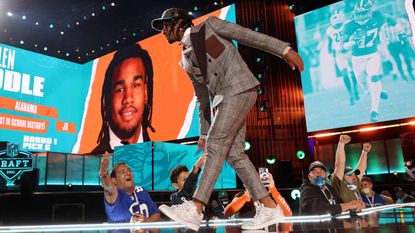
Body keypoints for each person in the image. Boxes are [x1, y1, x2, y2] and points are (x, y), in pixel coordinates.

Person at [151, 8, 303, 231]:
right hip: (222, 100)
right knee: (234, 154)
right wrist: (203, 133)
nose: (162, 30)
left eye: (165, 24)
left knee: (216, 144)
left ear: (179, 22)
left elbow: (249, 36)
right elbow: (202, 97)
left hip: (239, 87)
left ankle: (195, 207)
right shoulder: (184, 61)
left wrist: (284, 49)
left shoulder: (209, 26)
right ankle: (269, 206)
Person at [92, 44, 155, 154]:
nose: (128, 99)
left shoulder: (162, 158)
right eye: (120, 89)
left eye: (136, 85)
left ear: (145, 93)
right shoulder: (91, 161)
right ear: (108, 98)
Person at [343, 0, 396, 122]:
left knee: (374, 77)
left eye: (364, 13)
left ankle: (374, 110)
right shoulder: (349, 25)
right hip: (357, 59)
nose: (361, 16)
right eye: (358, 13)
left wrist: (399, 31)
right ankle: (377, 91)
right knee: (365, 87)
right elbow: (343, 44)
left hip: (373, 54)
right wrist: (348, 44)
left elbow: (390, 18)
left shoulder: (377, 18)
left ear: (370, 11)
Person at [99, 152, 160, 223]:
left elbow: (157, 215)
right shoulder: (114, 194)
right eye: (122, 172)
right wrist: (103, 173)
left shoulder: (141, 191)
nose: (128, 173)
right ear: (114, 180)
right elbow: (108, 187)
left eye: (129, 170)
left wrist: (146, 221)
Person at [300, 161, 365, 215]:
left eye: (321, 171)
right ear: (309, 177)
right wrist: (349, 205)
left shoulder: (329, 188)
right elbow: (318, 208)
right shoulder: (306, 189)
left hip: (333, 227)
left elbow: (339, 204)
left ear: (326, 175)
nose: (318, 174)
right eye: (314, 172)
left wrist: (355, 207)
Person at [326, 7, 359, 105]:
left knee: (353, 73)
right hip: (339, 54)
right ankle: (351, 94)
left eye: (339, 23)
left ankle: (356, 89)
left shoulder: (347, 24)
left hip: (349, 51)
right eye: (336, 23)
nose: (337, 25)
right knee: (344, 74)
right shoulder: (329, 30)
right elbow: (329, 44)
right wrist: (331, 56)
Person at [224, 172, 292, 218]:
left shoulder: (271, 195)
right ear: (244, 184)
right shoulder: (241, 196)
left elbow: (288, 214)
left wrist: (273, 189)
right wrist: (245, 197)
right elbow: (227, 213)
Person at [331, 134, 371, 202]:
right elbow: (339, 165)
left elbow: (361, 168)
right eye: (349, 175)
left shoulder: (354, 185)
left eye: (354, 174)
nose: (354, 176)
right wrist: (341, 143)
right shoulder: (339, 186)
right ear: (342, 178)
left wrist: (364, 152)